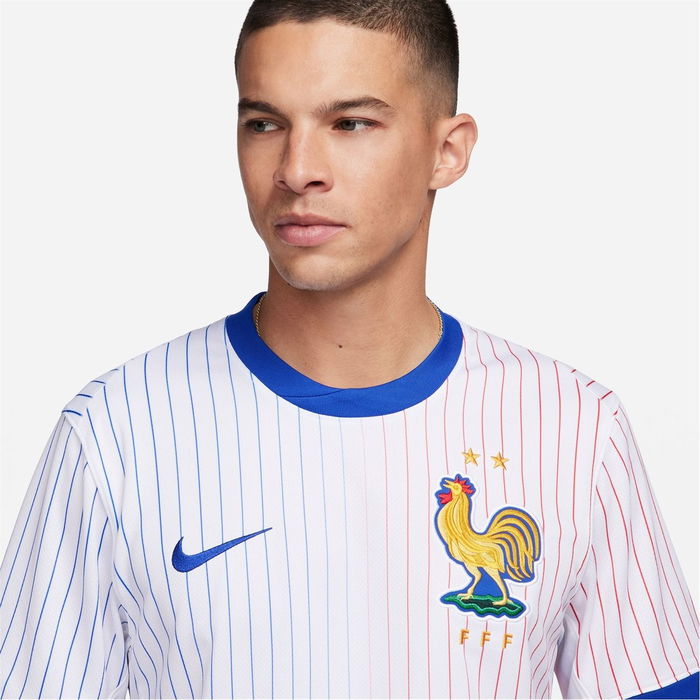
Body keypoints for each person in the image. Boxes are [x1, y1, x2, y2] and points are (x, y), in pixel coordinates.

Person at [1, 0, 698, 698]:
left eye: (351, 123)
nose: (298, 169)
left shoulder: (575, 428)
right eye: (265, 124)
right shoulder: (116, 433)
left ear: (448, 151)